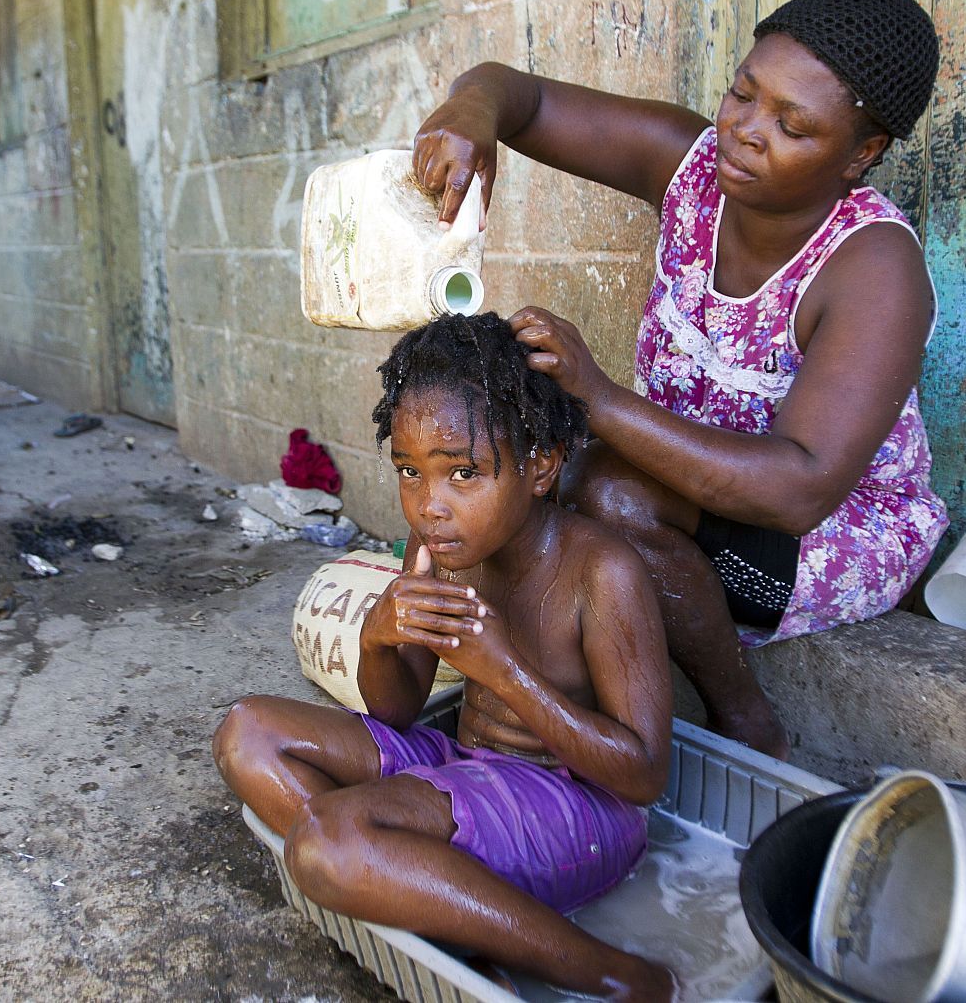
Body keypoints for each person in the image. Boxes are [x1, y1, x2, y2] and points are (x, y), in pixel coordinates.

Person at [411, 0, 950, 759]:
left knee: (608, 493)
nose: (746, 132)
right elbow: (517, 96)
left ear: (861, 153)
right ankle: (542, 695)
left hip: (827, 531)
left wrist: (595, 398)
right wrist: (471, 114)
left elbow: (798, 487)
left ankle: (740, 712)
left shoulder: (874, 265)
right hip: (675, 480)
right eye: (742, 93)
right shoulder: (690, 167)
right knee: (521, 474)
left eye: (792, 125)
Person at [213, 313, 676, 1000]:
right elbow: (397, 708)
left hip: (578, 811)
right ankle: (443, 911)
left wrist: (504, 672)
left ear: (541, 464)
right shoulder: (436, 546)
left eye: (463, 471)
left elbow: (642, 776)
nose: (430, 505)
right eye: (409, 470)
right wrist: (378, 634)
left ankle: (615, 974)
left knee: (325, 844)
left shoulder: (600, 573)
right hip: (463, 770)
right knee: (246, 733)